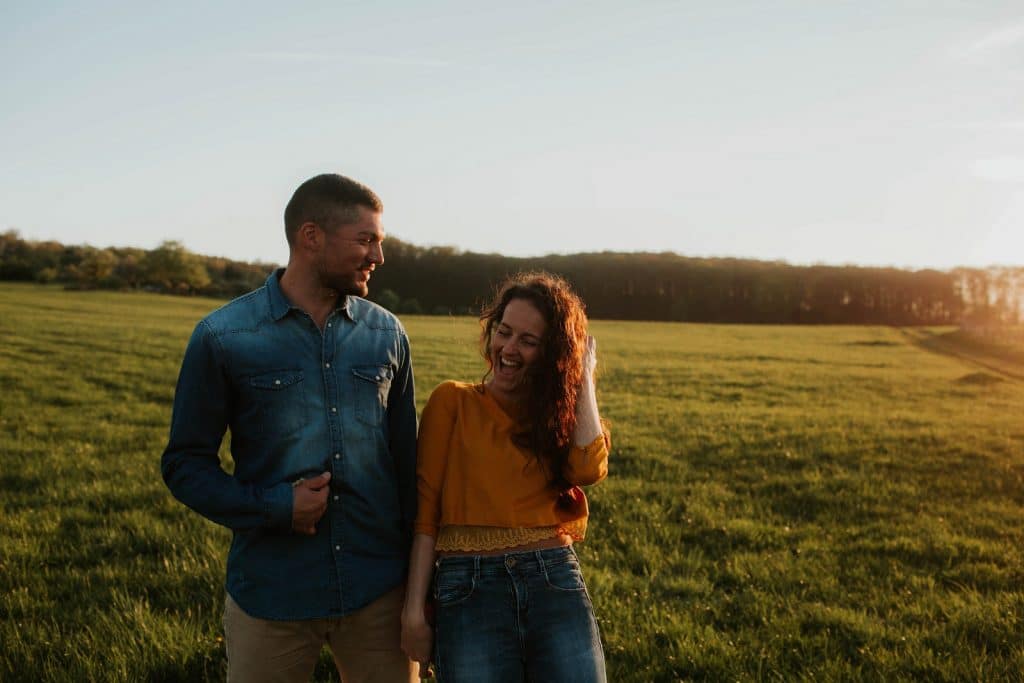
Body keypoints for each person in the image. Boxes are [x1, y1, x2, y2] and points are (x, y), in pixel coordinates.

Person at [161, 173, 419, 682]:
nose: (378, 257)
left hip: (378, 593)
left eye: (380, 241)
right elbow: (184, 464)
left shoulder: (386, 333)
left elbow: (409, 464)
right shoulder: (223, 337)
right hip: (272, 593)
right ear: (311, 236)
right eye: (366, 240)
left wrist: (420, 585)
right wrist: (276, 507)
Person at [401, 272, 610, 682]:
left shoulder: (559, 421)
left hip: (553, 579)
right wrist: (413, 612)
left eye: (528, 342)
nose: (508, 348)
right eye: (504, 332)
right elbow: (425, 514)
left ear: (552, 354)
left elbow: (588, 469)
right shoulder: (453, 401)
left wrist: (583, 377)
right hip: (469, 589)